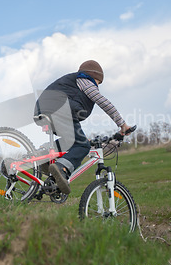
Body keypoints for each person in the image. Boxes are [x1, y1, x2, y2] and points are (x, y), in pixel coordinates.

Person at [34, 60, 131, 194]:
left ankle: (44, 154)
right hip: (59, 110)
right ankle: (62, 168)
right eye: (98, 83)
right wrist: (122, 125)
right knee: (83, 146)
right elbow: (102, 101)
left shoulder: (73, 83)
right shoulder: (86, 80)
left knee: (72, 142)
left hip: (45, 109)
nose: (97, 87)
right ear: (95, 76)